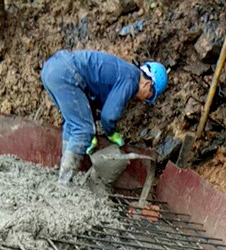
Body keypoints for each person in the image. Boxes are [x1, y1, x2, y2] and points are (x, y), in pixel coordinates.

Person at [41, 50, 168, 187]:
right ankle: (63, 183)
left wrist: (92, 132)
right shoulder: (130, 79)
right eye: (149, 96)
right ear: (147, 85)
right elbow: (108, 116)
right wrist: (111, 133)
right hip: (66, 74)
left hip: (52, 69)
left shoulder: (124, 71)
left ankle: (63, 172)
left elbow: (89, 100)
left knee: (73, 124)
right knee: (83, 130)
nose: (145, 100)